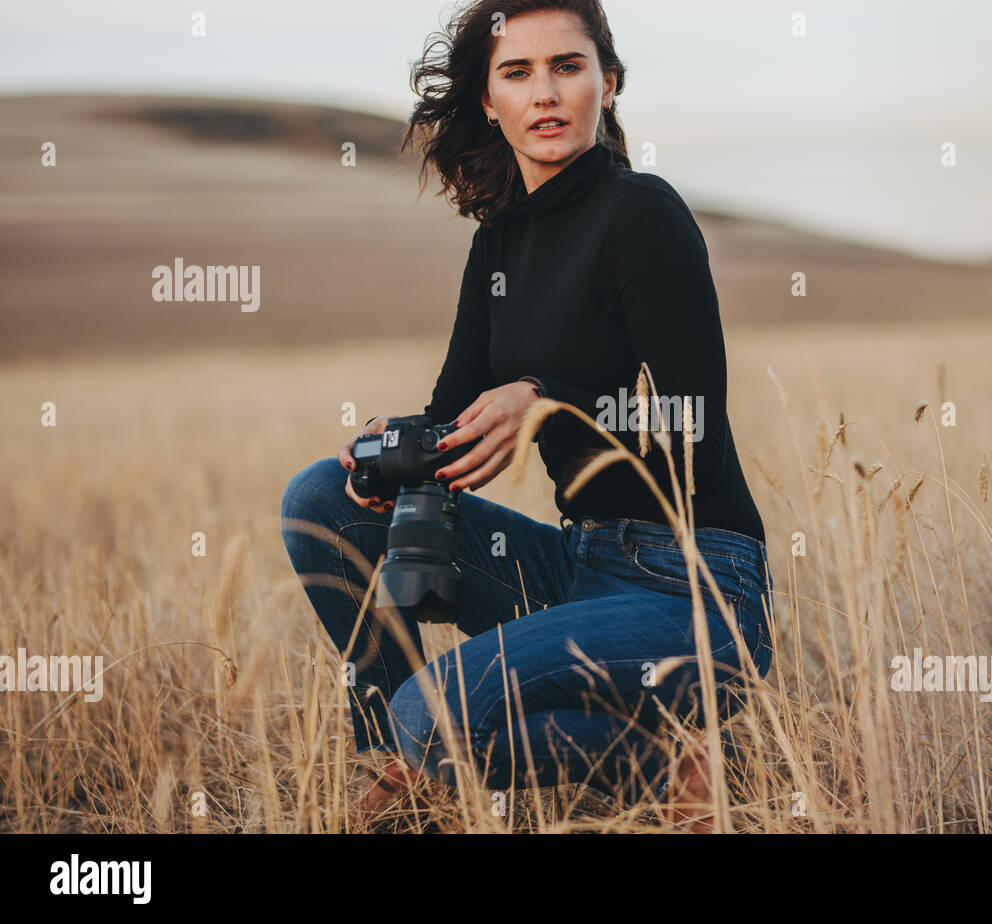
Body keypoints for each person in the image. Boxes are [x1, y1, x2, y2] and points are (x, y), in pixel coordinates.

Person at [280, 0, 774, 831]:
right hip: (580, 571)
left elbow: (693, 429)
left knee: (432, 711)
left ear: (607, 85)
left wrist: (545, 404)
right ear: (488, 100)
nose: (544, 93)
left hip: (693, 586)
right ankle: (414, 758)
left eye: (567, 67)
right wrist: (392, 449)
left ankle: (631, 757)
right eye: (517, 73)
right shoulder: (501, 243)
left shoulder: (643, 212)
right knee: (318, 501)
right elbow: (454, 414)